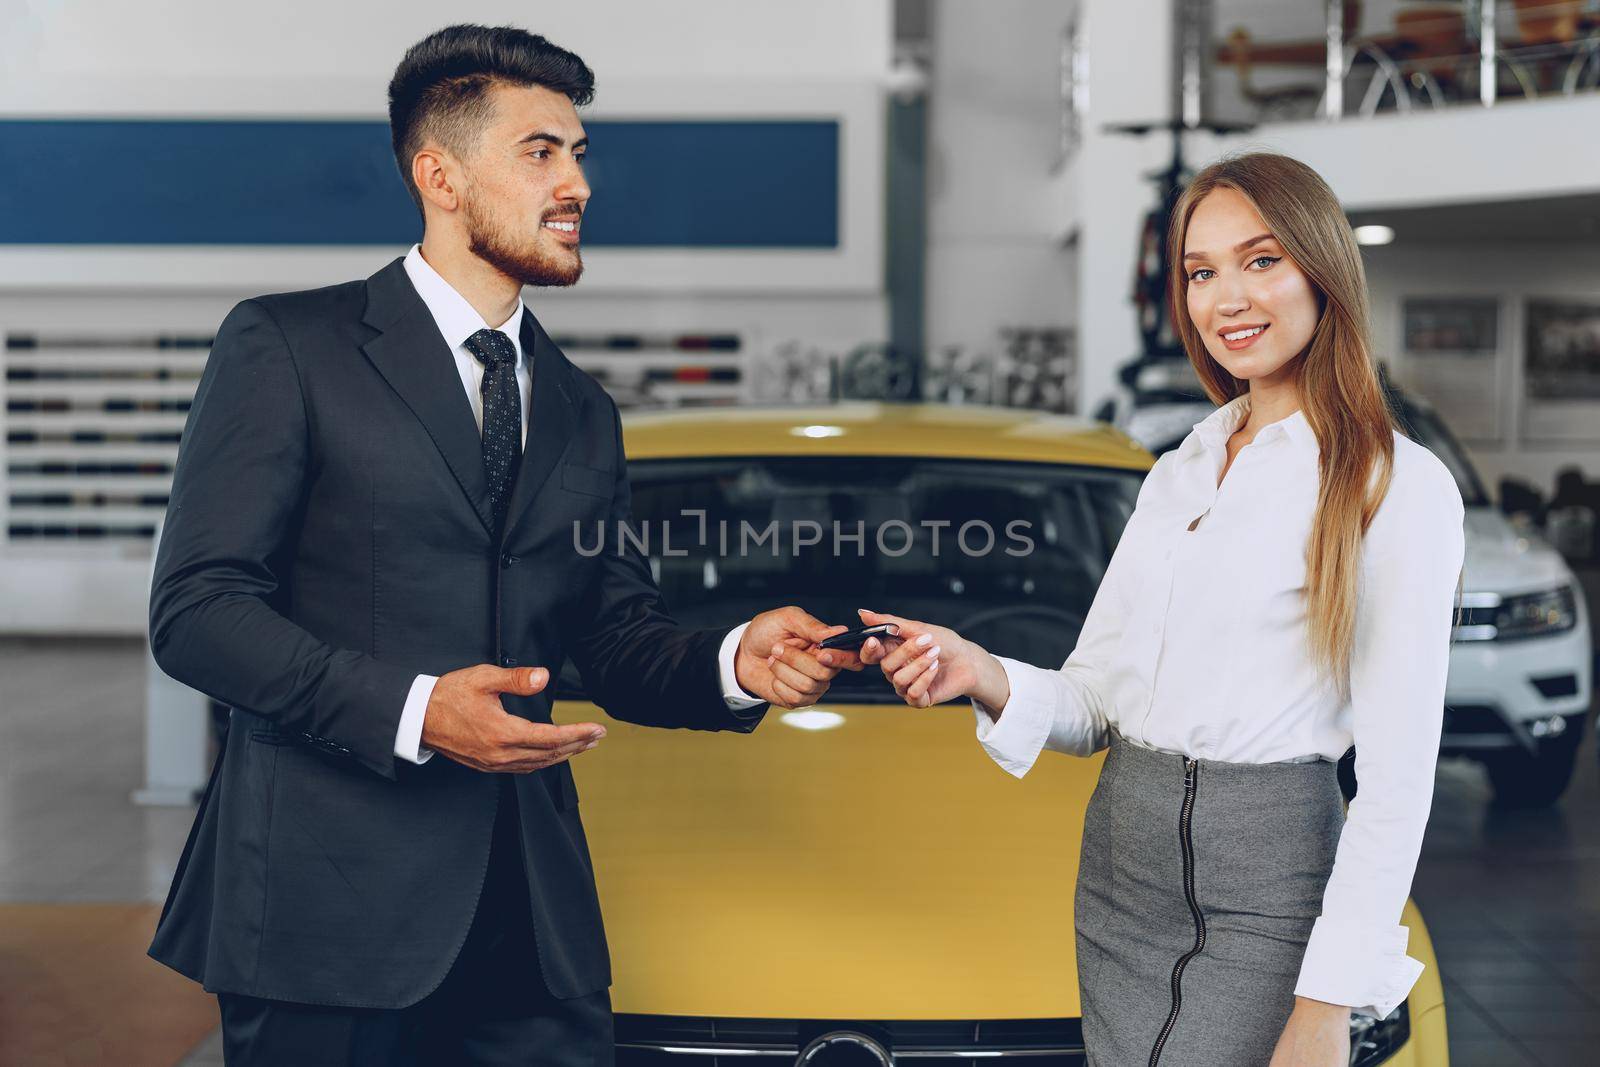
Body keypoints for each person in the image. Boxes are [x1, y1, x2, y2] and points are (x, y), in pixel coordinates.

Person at [147, 24, 856, 1066]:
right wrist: (417, 709)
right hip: (325, 915)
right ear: (440, 173)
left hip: (531, 927)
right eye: (540, 152)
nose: (576, 182)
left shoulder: (581, 409)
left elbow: (611, 635)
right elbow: (198, 612)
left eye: (578, 153)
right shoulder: (289, 347)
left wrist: (730, 660)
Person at [858, 152, 1466, 1066]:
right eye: (1201, 271)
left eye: (1261, 260)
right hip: (1120, 871)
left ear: (1323, 267)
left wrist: (1326, 1003)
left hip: (1268, 883)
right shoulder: (1183, 466)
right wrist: (975, 669)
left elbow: (1398, 783)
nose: (1229, 298)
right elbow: (1098, 699)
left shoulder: (1397, 486)